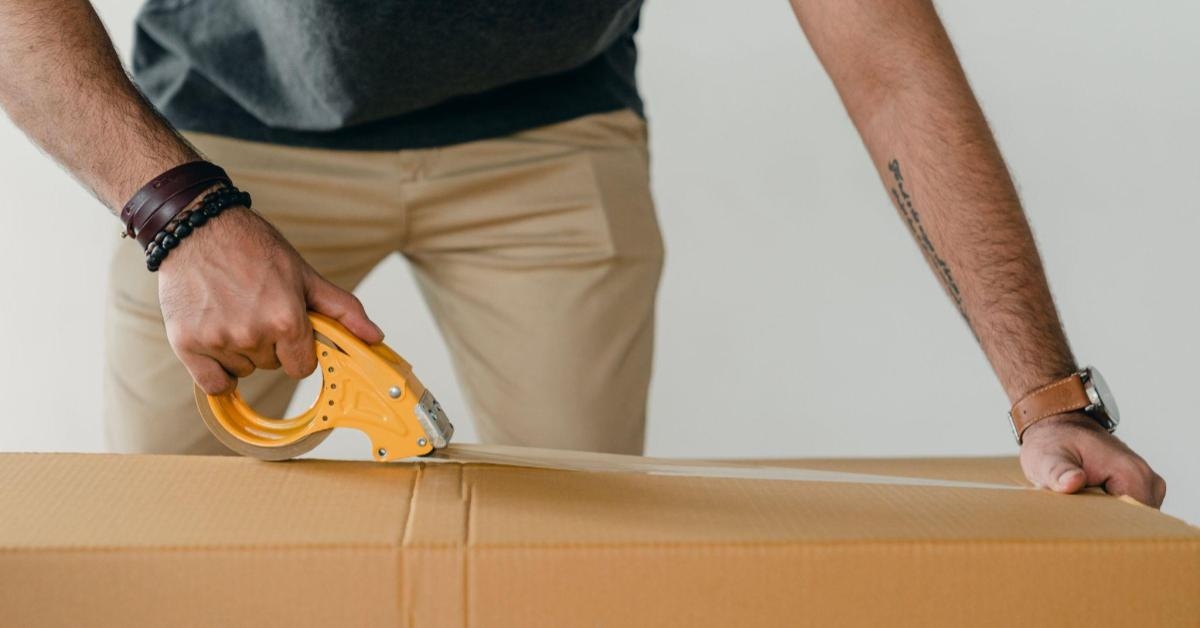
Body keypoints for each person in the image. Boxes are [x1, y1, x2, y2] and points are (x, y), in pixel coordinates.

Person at [0, 1, 1165, 507]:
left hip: (548, 138)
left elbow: (894, 67)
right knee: (170, 539)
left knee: (571, 548)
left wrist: (1048, 399)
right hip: (219, 138)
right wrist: (181, 214)